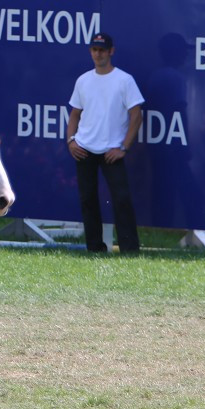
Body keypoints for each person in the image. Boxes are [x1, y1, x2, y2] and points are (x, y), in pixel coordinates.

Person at [65, 32, 144, 254]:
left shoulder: (124, 80)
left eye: (101, 49)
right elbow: (74, 115)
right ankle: (95, 248)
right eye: (94, 50)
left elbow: (136, 115)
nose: (97, 54)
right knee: (88, 200)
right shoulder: (83, 80)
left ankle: (130, 249)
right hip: (84, 148)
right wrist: (71, 141)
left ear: (111, 51)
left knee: (121, 199)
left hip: (112, 150)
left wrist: (123, 148)